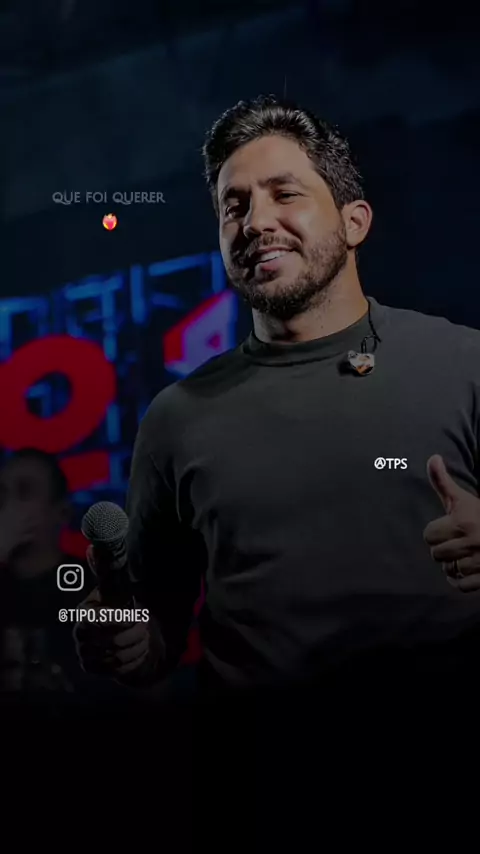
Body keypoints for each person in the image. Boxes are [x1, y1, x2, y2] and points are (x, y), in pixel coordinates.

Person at [75, 94, 480, 701]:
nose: (255, 222)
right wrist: (126, 642)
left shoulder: (466, 364)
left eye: (284, 194)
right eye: (233, 207)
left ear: (354, 222)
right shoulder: (176, 418)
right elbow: (156, 633)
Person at [0, 448, 96, 712]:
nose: (7, 505)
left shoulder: (98, 586)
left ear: (61, 512)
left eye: (24, 492)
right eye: (2, 493)